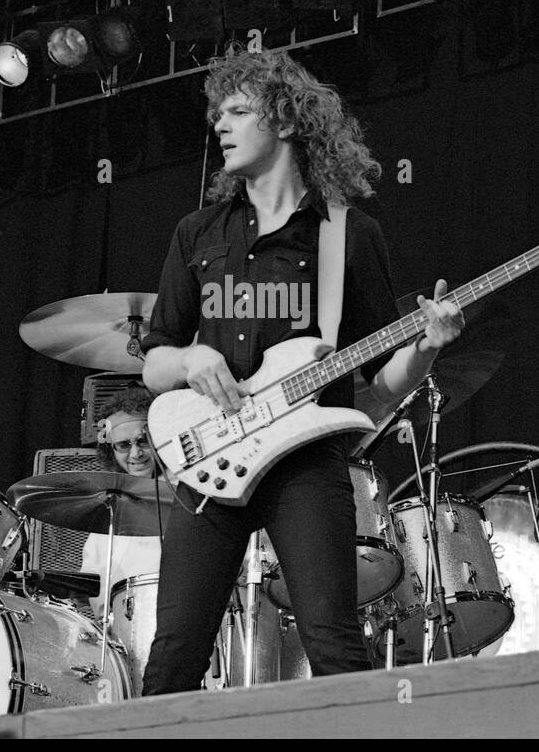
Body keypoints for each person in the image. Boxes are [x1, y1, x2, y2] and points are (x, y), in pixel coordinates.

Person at [138, 49, 465, 694]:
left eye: (238, 111)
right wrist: (190, 357)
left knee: (333, 642)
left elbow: (380, 385)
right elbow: (154, 364)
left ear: (286, 121)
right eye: (218, 114)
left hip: (306, 465)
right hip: (212, 458)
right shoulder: (197, 233)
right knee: (173, 654)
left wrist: (426, 347)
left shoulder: (348, 236)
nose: (220, 125)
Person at [79, 387, 162, 616]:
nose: (135, 454)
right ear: (111, 450)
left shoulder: (189, 497)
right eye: (124, 445)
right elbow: (93, 588)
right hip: (119, 631)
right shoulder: (108, 512)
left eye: (143, 442)